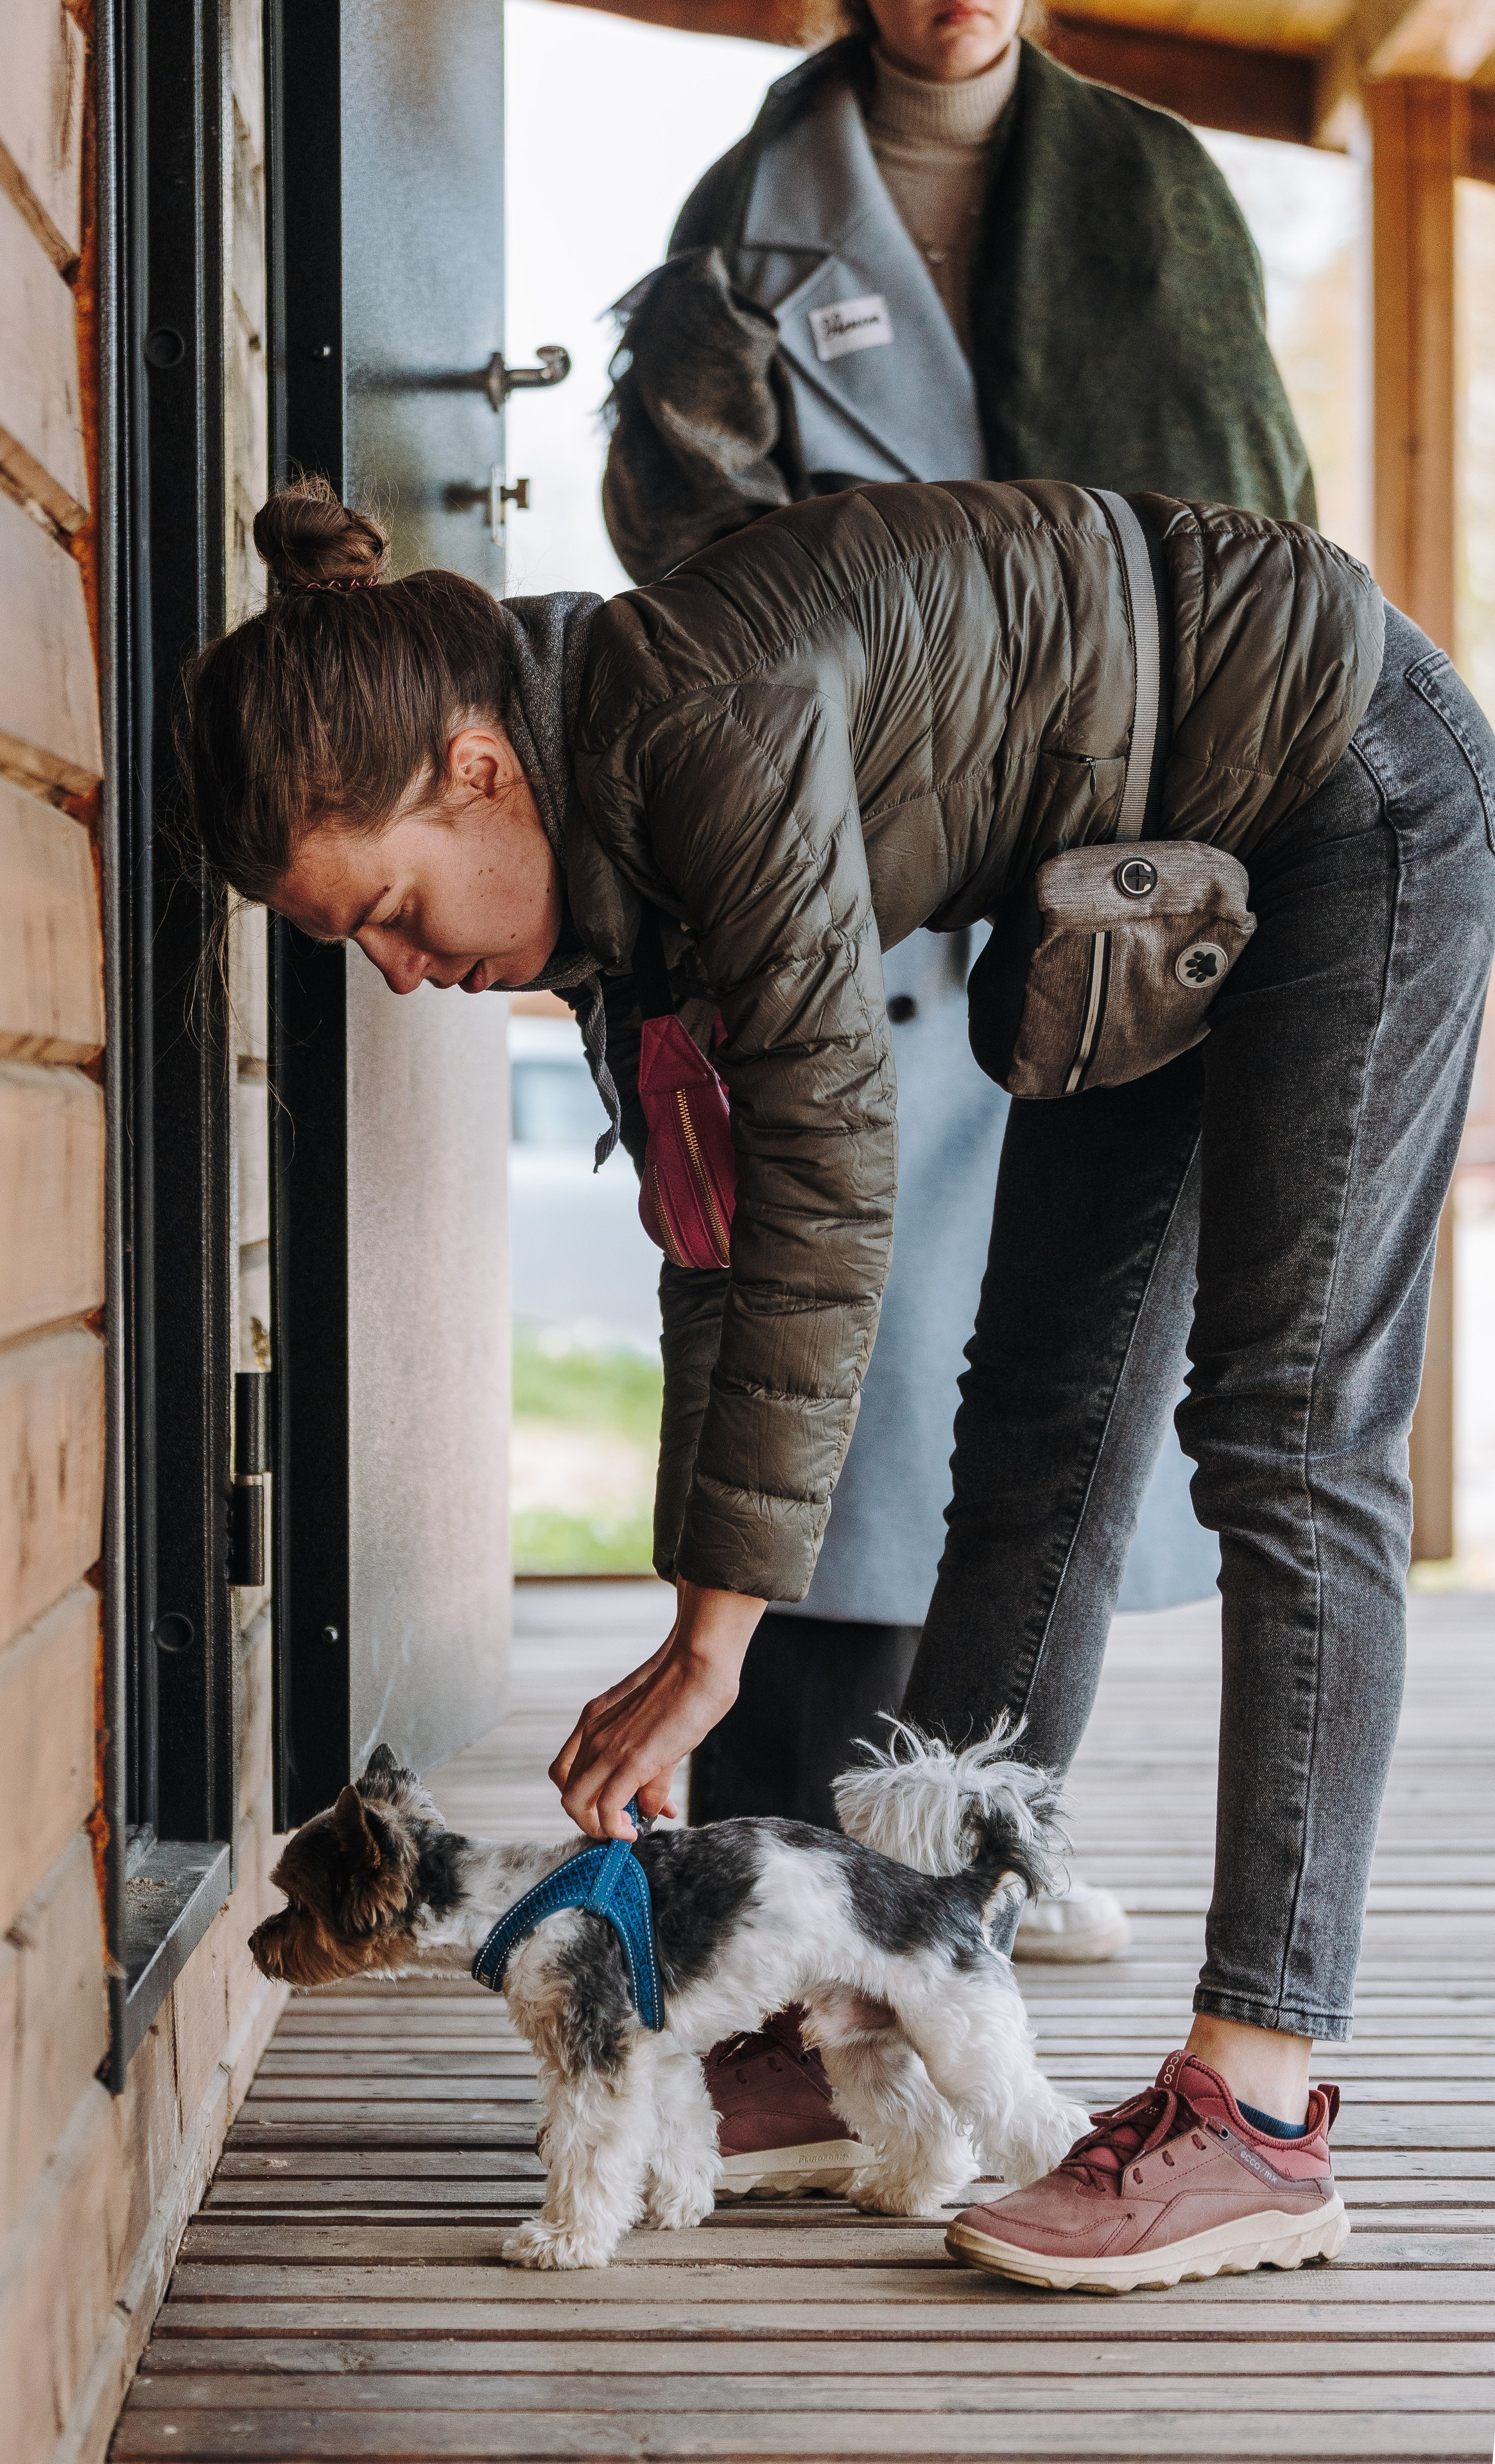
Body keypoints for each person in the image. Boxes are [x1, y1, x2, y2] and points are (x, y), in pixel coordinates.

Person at [183, 469, 1492, 2288]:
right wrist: (689, 1621)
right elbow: (719, 1253)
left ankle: (1260, 2108)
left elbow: (825, 1175)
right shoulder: (607, 876)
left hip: (1347, 774)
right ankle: (866, 2019)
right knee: (1036, 1421)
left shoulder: (698, 732)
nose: (403, 976)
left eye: (388, 912)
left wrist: (719, 1648)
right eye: (361, 949)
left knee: (1289, 1433)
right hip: (1151, 867)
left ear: (478, 769)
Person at [601, 0, 1312, 1933]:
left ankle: (985, 1830)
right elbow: (689, 560)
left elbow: (1259, 515)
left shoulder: (1154, 185)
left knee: (1062, 1367)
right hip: (867, 842)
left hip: (1109, 853)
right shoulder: (752, 209)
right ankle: (829, 1864)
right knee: (870, 1365)